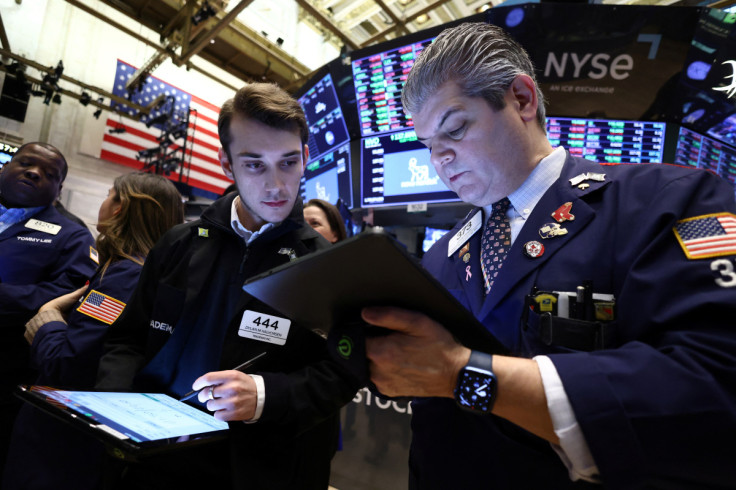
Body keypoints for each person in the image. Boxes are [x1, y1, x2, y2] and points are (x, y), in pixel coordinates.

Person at [363, 22, 736, 489]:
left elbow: (716, 386)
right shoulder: (442, 255)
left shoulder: (669, 201)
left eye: (454, 130)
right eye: (430, 147)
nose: (441, 160)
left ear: (522, 99)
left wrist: (466, 375)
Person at [95, 83, 363, 489]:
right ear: (226, 164)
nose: (276, 185)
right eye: (255, 164)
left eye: (288, 162)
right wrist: (116, 408)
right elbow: (127, 340)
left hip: (258, 466)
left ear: (306, 157)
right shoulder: (177, 244)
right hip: (154, 460)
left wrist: (266, 394)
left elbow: (343, 372)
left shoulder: (328, 265)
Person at [2, 172, 184, 490]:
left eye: (109, 194)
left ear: (119, 207)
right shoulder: (143, 274)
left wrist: (48, 319)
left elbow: (68, 364)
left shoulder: (123, 276)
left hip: (62, 438)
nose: (104, 201)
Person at [0, 142, 96, 476]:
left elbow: (67, 293)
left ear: (59, 189)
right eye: (25, 163)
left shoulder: (73, 235)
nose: (34, 172)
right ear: (6, 166)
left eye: (49, 173)